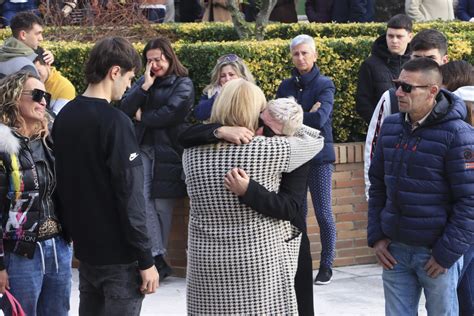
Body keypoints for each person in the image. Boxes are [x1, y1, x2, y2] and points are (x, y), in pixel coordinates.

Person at [184, 78, 324, 314]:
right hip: (258, 260)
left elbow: (184, 136)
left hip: (205, 263)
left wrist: (217, 130)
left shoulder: (190, 154)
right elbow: (314, 138)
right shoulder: (271, 149)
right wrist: (287, 118)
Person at [52, 37, 159, 315]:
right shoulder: (116, 122)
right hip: (120, 258)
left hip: (86, 254)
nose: (128, 86)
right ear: (114, 71)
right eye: (129, 77)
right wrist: (146, 259)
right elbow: (131, 196)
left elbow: (59, 183)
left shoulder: (64, 117)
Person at [367, 57, 474, 316]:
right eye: (397, 84)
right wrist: (377, 238)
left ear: (433, 91)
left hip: (436, 255)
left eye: (407, 87)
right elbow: (378, 184)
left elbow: (469, 200)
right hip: (395, 251)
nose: (399, 92)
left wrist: (446, 253)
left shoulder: (459, 134)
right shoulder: (392, 126)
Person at [119, 37, 194, 281]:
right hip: (143, 149)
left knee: (162, 206)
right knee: (141, 199)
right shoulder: (145, 82)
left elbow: (171, 114)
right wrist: (143, 87)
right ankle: (157, 257)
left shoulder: (183, 84)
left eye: (158, 59)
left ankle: (158, 259)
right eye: (149, 60)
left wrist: (142, 117)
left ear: (169, 58)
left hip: (168, 151)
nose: (154, 64)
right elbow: (124, 109)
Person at [0, 71, 72, 316]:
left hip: (58, 247)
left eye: (46, 96)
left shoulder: (50, 141)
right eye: (37, 95)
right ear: (13, 98)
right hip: (19, 253)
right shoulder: (3, 147)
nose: (43, 101)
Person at [276, 34, 337, 285]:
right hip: (294, 156)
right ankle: (298, 264)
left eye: (304, 53)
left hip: (319, 157)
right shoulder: (285, 86)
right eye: (296, 53)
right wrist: (305, 113)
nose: (300, 58)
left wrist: (293, 115)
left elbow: (320, 119)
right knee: (296, 212)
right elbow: (278, 121)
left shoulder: (325, 84)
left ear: (314, 55)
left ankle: (327, 265)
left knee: (323, 213)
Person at [364, 29, 449, 199]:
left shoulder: (456, 102)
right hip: (397, 204)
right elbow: (373, 149)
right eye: (418, 58)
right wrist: (372, 195)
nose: (424, 64)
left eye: (431, 58)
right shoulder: (392, 98)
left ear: (444, 60)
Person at [355, 14, 413, 125]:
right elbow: (363, 103)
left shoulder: (416, 63)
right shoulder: (370, 64)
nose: (394, 41)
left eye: (399, 36)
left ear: (410, 37)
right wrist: (380, 124)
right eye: (390, 36)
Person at [193, 53, 254, 121]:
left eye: (231, 75)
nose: (227, 79)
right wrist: (218, 98)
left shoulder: (252, 93)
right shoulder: (211, 92)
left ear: (242, 76)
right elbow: (199, 115)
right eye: (223, 76)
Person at [0, 12, 53, 78]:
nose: (41, 38)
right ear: (23, 35)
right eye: (38, 33)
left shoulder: (4, 51)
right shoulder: (27, 67)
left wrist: (42, 56)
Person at [34, 46, 76, 115]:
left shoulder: (65, 87)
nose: (35, 77)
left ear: (48, 64)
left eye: (38, 72)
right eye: (31, 72)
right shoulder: (26, 81)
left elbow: (57, 120)